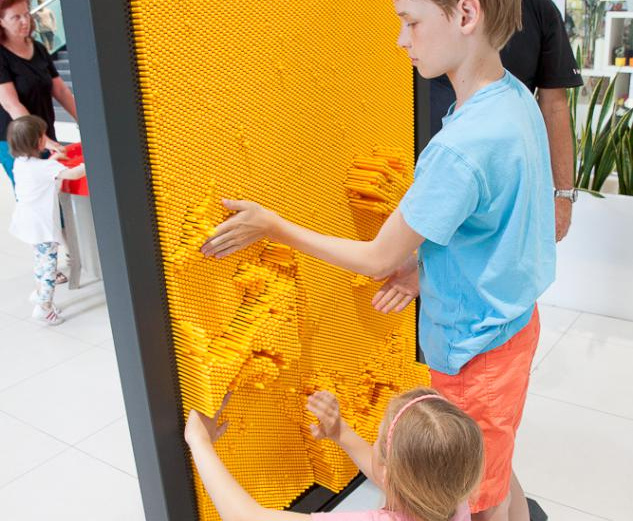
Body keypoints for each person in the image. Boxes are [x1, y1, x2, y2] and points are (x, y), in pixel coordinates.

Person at [201, 0, 554, 519]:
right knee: (493, 468)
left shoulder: (459, 148)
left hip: (476, 353)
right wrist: (426, 272)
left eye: (411, 22)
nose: (401, 40)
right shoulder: (515, 98)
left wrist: (272, 226)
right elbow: (498, 228)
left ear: (466, 15)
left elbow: (375, 257)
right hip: (512, 330)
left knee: (479, 498)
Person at [185, 387, 483, 521]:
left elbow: (244, 518)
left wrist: (199, 441)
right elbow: (406, 479)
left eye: (378, 442)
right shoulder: (453, 500)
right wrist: (341, 433)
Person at [430, 0, 583, 242]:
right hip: (428, 174)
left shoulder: (539, 9)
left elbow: (554, 106)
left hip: (500, 192)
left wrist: (563, 195)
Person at [7, 115, 85, 325]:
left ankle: (38, 292)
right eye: (43, 135)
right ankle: (44, 307)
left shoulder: (20, 163)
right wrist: (93, 158)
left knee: (40, 261)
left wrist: (53, 160)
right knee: (50, 266)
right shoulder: (44, 168)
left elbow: (43, 171)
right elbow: (75, 174)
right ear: (38, 142)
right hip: (42, 226)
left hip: (27, 222)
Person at [0, 0, 77, 188]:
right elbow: (12, 104)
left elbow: (60, 90)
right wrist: (42, 139)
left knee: (54, 190)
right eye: (16, 17)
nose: (24, 21)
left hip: (45, 132)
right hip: (18, 141)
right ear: (1, 21)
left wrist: (83, 120)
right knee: (34, 193)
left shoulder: (39, 48)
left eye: (26, 14)